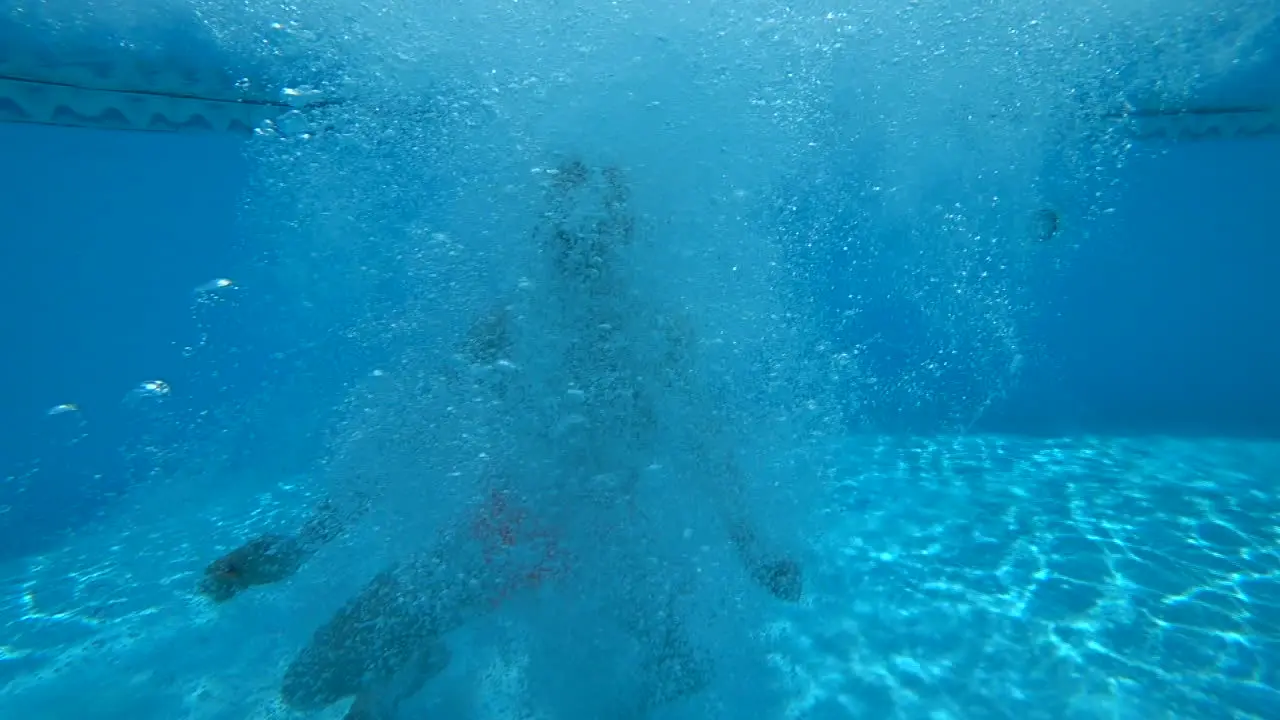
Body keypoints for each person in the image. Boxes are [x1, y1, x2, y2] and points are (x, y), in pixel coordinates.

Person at [198, 159, 802, 718]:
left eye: (595, 227)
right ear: (543, 234)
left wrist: (754, 552)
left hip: (611, 545)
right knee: (307, 686)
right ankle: (414, 663)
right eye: (562, 228)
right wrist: (302, 546)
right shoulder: (510, 326)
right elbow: (407, 441)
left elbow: (707, 446)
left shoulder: (658, 332)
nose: (577, 244)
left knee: (682, 670)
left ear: (625, 236)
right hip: (503, 530)